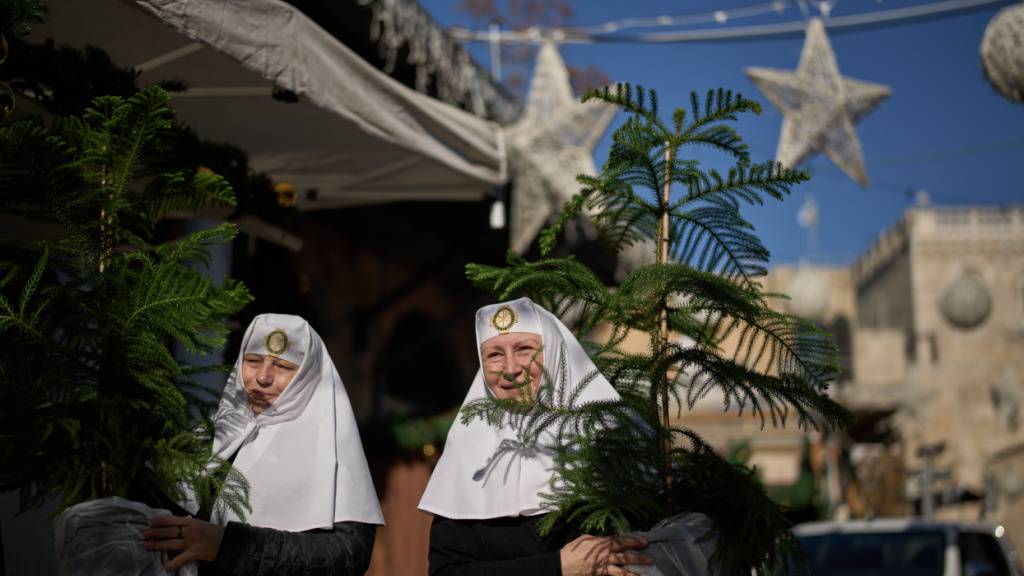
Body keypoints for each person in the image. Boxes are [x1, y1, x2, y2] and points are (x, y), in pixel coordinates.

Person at [418, 297, 654, 576]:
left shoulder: (612, 436)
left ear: (554, 351)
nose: (510, 368)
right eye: (494, 355)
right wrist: (556, 568)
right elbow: (446, 572)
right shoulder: (467, 453)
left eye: (524, 349)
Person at [142, 314, 383, 575]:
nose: (263, 377)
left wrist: (226, 545)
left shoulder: (332, 452)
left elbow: (347, 556)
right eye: (253, 361)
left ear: (308, 375)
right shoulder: (208, 438)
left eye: (283, 366)